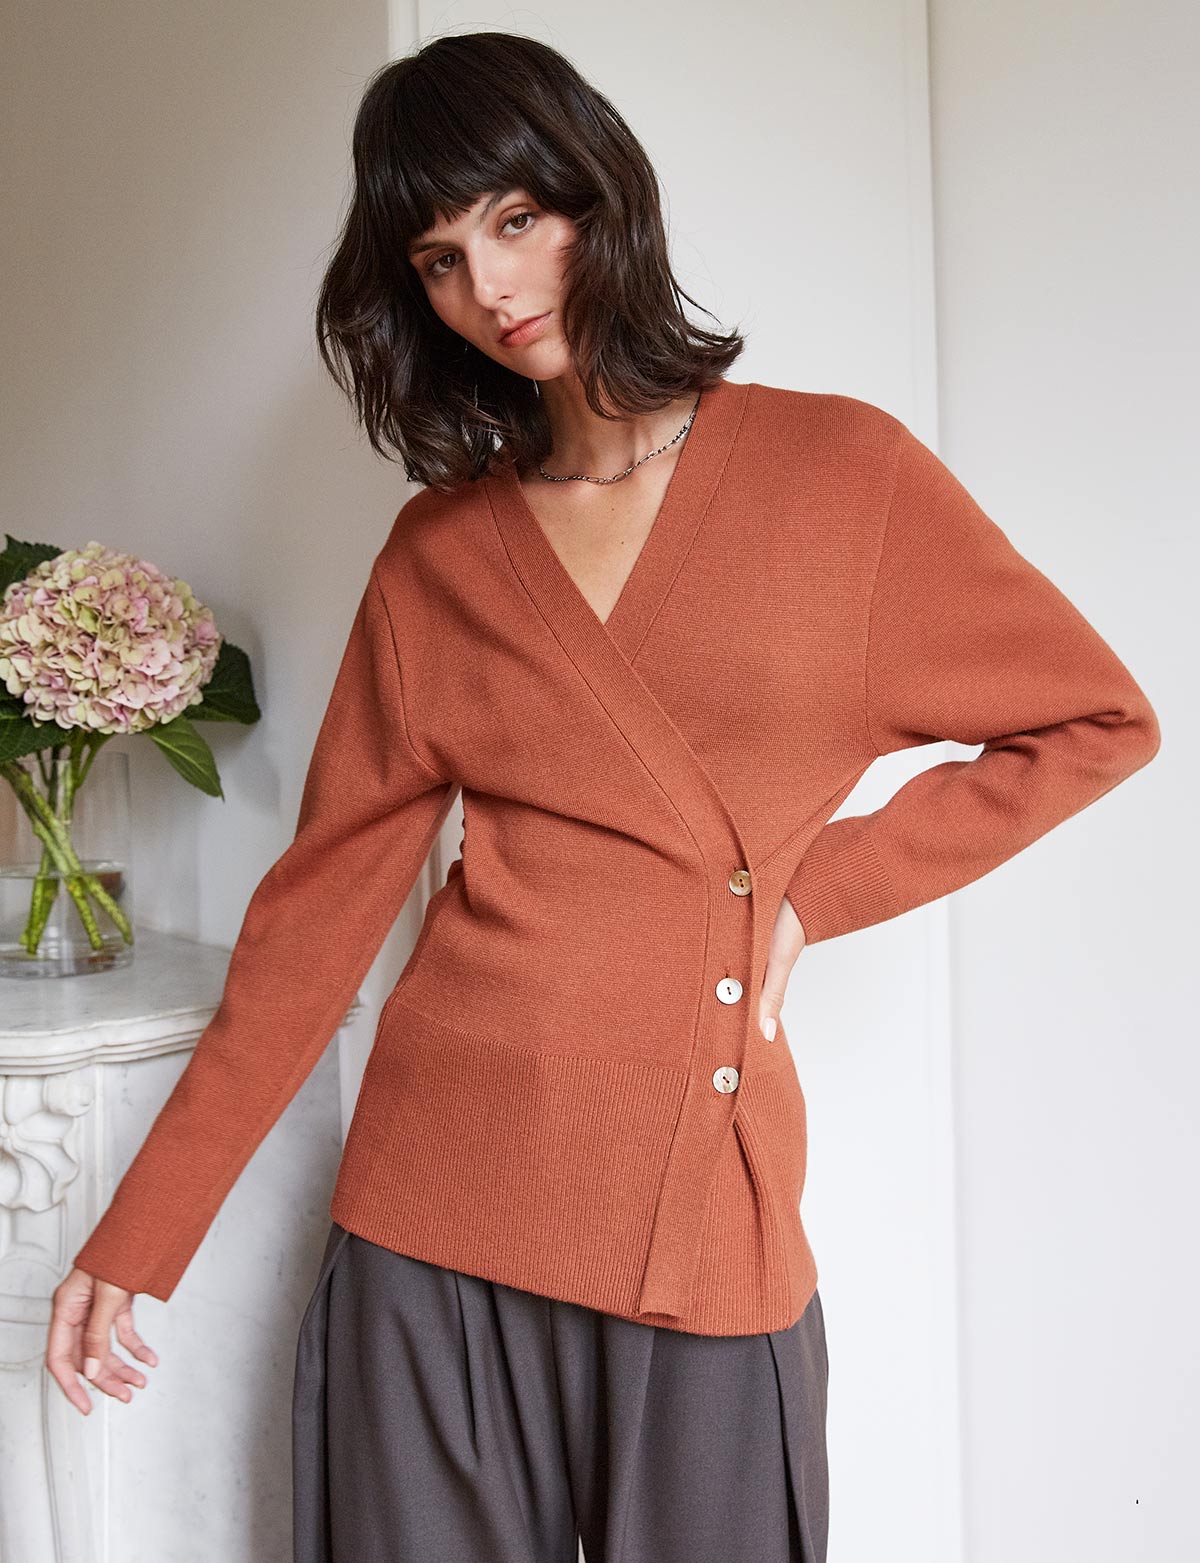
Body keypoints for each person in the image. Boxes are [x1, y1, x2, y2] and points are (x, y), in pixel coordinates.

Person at [44, 30, 1161, 1563]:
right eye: (440, 261)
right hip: (426, 1215)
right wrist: (145, 1227)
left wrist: (818, 891)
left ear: (600, 199)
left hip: (695, 1222)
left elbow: (1096, 719)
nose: (491, 290)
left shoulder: (845, 475)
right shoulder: (440, 553)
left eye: (518, 220)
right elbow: (318, 914)